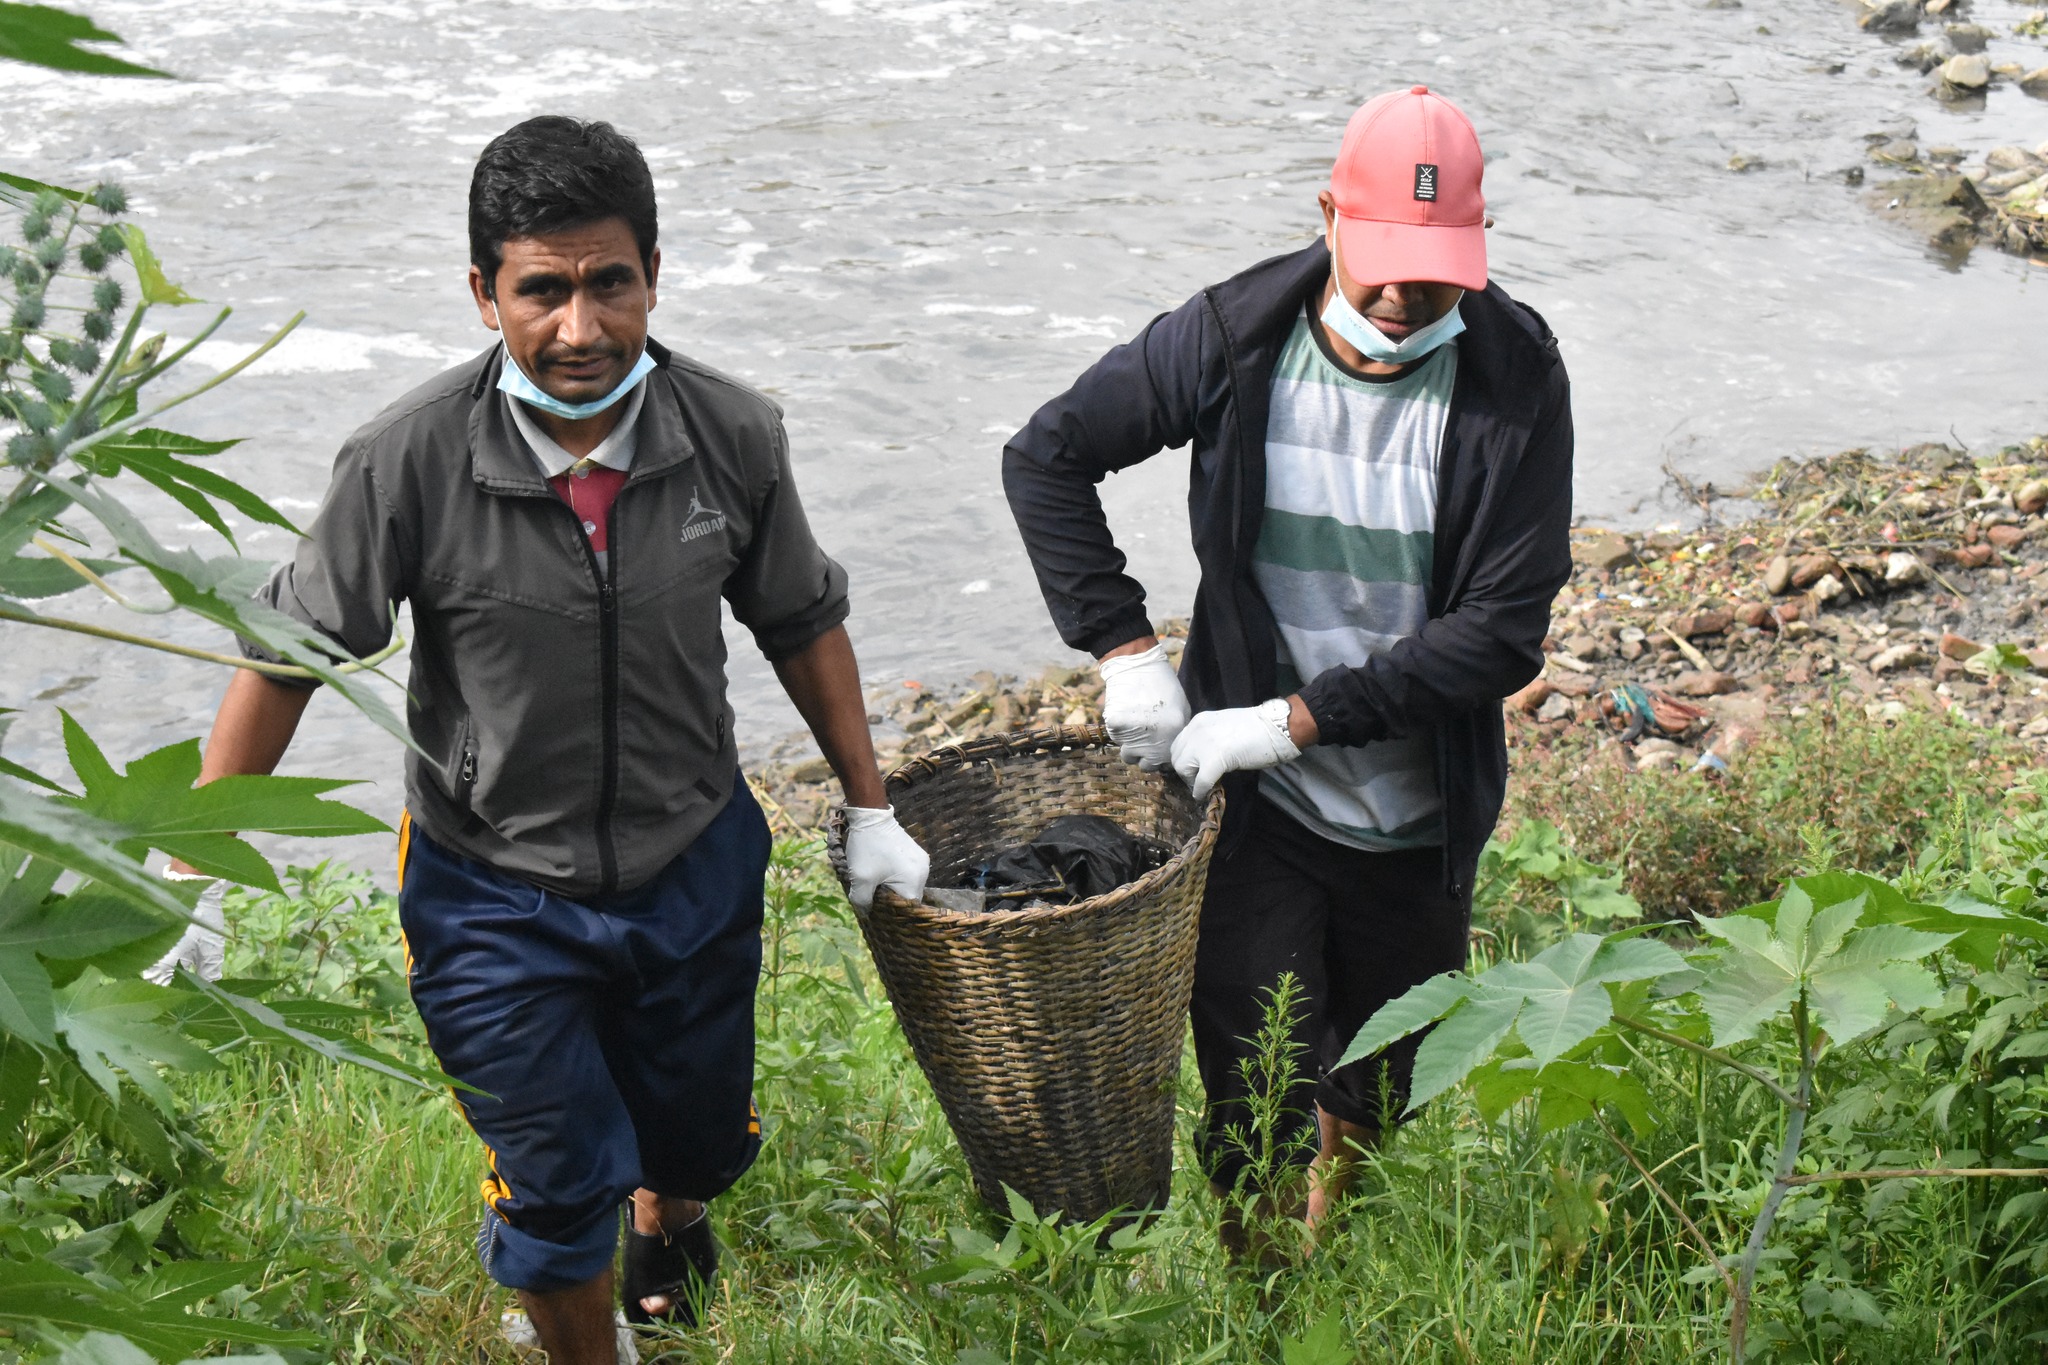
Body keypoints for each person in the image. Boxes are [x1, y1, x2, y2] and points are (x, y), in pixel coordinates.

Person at [174, 116, 929, 1360]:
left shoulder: (730, 434)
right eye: (542, 290)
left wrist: (871, 804)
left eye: (608, 285)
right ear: (484, 294)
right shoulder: (403, 461)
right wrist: (190, 864)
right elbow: (289, 660)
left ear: (651, 277)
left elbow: (802, 620)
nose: (580, 330)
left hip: (692, 856)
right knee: (553, 1178)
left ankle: (669, 1211)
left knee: (687, 1133)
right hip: (491, 888)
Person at [1002, 87, 1572, 1250]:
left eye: (1438, 270)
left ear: (1478, 245)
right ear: (1327, 215)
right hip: (1257, 808)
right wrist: (1123, 651)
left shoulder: (1513, 378)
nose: (1407, 296)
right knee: (1251, 1086)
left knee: (1378, 1076)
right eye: (1383, 263)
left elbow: (1501, 632)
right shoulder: (1232, 336)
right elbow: (1046, 457)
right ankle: (1267, 1286)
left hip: (1417, 811)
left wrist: (1294, 717)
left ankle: (1329, 1239)